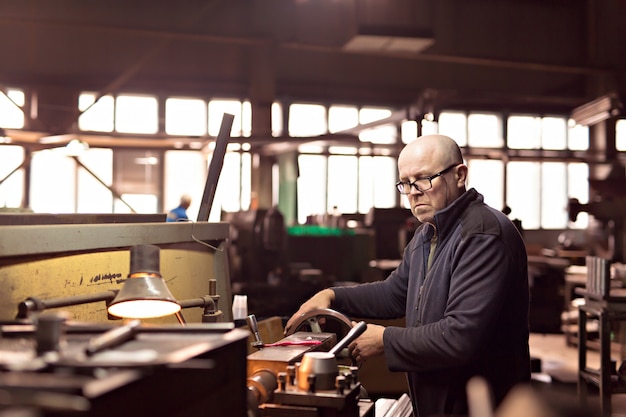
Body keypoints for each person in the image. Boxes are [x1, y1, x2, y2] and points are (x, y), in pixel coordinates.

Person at [285, 134, 530, 417]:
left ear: (460, 175)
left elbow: (460, 337)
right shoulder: (427, 235)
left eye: (424, 179)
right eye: (406, 183)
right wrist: (332, 296)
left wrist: (384, 340)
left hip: (482, 406)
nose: (413, 192)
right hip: (439, 402)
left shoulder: (482, 235)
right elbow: (394, 294)